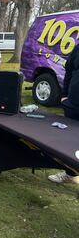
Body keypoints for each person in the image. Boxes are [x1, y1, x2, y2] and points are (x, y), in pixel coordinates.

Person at [48, 43, 79, 184]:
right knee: (71, 142)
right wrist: (64, 95)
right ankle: (70, 173)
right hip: (73, 104)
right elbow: (69, 71)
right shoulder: (78, 48)